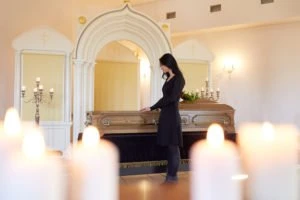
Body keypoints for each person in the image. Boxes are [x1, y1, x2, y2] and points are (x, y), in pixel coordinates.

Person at [140, 53, 185, 183]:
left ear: (169, 64)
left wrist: (153, 107)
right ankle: (170, 175)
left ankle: (172, 177)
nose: (161, 67)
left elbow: (171, 98)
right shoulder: (168, 78)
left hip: (172, 116)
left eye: (162, 65)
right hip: (165, 115)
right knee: (169, 147)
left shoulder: (179, 78)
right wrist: (152, 107)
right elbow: (165, 98)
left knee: (173, 147)